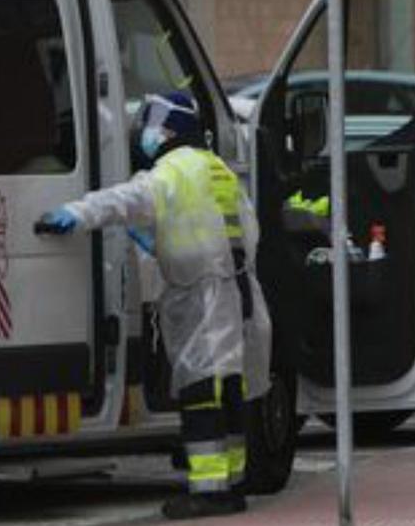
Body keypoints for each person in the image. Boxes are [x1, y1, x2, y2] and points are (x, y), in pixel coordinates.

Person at [38, 92, 272, 520]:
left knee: (202, 391)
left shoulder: (174, 170)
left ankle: (209, 490)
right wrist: (157, 241)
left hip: (201, 292)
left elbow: (126, 198)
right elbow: (236, 226)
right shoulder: (215, 167)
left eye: (148, 125)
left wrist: (76, 211)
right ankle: (234, 483)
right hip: (236, 289)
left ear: (165, 128)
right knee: (230, 388)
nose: (142, 134)